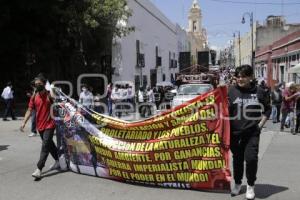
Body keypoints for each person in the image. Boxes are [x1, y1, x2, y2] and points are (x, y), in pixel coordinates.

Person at [228, 65, 271, 199]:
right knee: (237, 160)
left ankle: (251, 186)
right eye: (238, 76)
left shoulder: (259, 91)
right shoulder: (231, 91)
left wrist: (260, 125)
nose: (240, 79)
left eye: (244, 76)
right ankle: (238, 183)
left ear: (251, 77)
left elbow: (267, 109)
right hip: (234, 133)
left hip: (252, 132)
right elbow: (224, 109)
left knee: (251, 159)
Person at [20, 75, 59, 179]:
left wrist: (50, 89)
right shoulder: (34, 96)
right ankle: (59, 160)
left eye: (39, 84)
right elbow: (29, 110)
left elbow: (55, 100)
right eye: (36, 84)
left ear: (44, 84)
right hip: (40, 125)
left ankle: (39, 169)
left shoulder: (48, 95)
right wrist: (24, 122)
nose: (37, 86)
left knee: (45, 145)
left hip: (50, 124)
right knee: (49, 144)